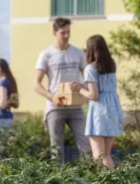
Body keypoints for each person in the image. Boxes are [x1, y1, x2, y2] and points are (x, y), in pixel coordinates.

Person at [34, 17, 92, 163]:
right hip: (55, 107)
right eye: (62, 33)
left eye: (68, 32)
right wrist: (51, 96)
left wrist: (82, 87)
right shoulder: (46, 54)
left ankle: (88, 182)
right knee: (57, 151)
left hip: (76, 107)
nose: (66, 36)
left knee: (86, 147)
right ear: (55, 32)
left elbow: (88, 79)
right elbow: (36, 84)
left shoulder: (78, 53)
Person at [77, 35, 124, 170]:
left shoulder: (90, 68)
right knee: (107, 155)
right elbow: (104, 86)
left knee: (99, 156)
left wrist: (80, 89)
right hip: (113, 109)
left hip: (99, 112)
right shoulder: (112, 64)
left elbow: (94, 95)